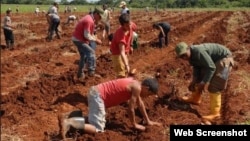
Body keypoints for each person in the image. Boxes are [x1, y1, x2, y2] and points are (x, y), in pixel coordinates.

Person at [59, 77, 162, 139]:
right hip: (98, 96)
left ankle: (72, 116)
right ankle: (69, 122)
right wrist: (134, 124)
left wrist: (148, 121)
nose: (147, 96)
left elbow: (140, 104)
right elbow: (130, 108)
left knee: (94, 120)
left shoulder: (135, 83)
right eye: (148, 94)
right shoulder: (137, 88)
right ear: (147, 88)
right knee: (98, 129)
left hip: (96, 92)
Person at [175, 42, 234, 123]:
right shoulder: (191, 56)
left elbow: (211, 68)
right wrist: (194, 80)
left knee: (214, 86)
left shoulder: (199, 51)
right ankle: (195, 98)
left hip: (225, 59)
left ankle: (215, 114)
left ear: (188, 48)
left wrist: (204, 83)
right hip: (215, 60)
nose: (184, 57)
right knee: (199, 77)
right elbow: (196, 67)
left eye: (184, 54)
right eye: (181, 56)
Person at [71, 7, 104, 79]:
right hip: (79, 40)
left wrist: (95, 38)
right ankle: (91, 72)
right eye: (100, 17)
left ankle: (80, 74)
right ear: (96, 14)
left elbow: (89, 34)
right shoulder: (89, 21)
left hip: (78, 39)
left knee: (83, 56)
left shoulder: (89, 18)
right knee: (91, 52)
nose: (100, 18)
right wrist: (96, 40)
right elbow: (87, 35)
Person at [110, 13, 136, 78]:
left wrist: (131, 45)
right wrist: (127, 65)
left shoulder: (131, 25)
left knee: (125, 70)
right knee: (121, 73)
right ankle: (120, 85)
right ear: (122, 25)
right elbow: (122, 52)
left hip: (125, 51)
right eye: (127, 26)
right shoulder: (120, 35)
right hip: (117, 53)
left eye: (130, 24)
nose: (129, 27)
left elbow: (132, 33)